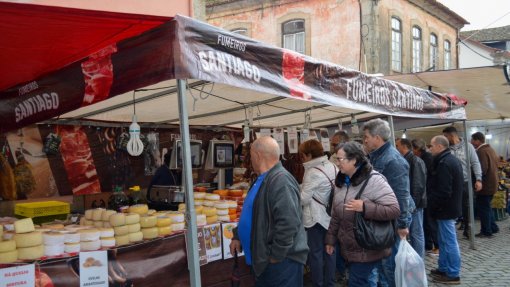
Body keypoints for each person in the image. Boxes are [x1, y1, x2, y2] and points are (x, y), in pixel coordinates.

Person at [230, 136, 308, 287]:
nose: (250, 159)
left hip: (281, 264)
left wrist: (275, 256)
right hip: (267, 262)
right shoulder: (262, 179)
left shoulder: (281, 181)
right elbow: (255, 213)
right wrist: (238, 235)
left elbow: (288, 223)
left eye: (251, 154)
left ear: (257, 155)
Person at [325, 141, 400, 287]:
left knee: (357, 282)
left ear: (354, 160)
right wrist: (330, 239)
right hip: (350, 247)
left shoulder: (374, 180)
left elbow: (394, 209)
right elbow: (336, 213)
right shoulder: (341, 182)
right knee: (361, 281)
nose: (337, 163)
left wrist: (365, 207)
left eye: (340, 159)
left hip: (368, 245)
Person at [363, 119, 413, 287]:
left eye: (366, 136)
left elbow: (402, 194)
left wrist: (402, 224)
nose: (365, 140)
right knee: (382, 264)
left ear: (377, 138)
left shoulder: (393, 160)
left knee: (389, 266)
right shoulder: (375, 156)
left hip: (392, 221)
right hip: (381, 217)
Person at [299, 139, 337, 287]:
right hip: (331, 216)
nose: (302, 158)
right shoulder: (333, 166)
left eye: (302, 155)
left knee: (315, 254)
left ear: (309, 155)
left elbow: (303, 199)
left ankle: (318, 284)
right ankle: (330, 283)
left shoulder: (312, 172)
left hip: (316, 219)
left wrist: (297, 190)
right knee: (330, 251)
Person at [428, 135, 463, 284]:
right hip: (448, 208)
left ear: (440, 147)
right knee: (443, 241)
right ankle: (443, 268)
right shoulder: (450, 159)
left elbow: (444, 191)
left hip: (446, 209)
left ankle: (453, 273)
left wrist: (433, 204)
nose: (430, 149)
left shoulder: (444, 162)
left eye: (432, 146)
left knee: (449, 241)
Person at [442, 126, 482, 239]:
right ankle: (452, 229)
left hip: (465, 181)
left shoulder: (468, 146)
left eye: (445, 136)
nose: (444, 138)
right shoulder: (446, 148)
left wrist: (479, 179)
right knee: (451, 206)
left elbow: (475, 163)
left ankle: (468, 228)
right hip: (450, 183)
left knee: (467, 206)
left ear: (452, 135)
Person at [396, 138, 427, 258]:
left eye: (397, 145)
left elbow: (418, 185)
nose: (396, 148)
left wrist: (412, 204)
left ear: (404, 146)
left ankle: (419, 259)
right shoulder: (406, 160)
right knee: (413, 233)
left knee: (416, 234)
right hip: (411, 204)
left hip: (415, 205)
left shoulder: (415, 161)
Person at [471, 132, 500, 237]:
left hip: (485, 185)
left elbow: (482, 169)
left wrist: (476, 179)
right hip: (492, 184)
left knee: (483, 208)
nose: (471, 142)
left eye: (472, 140)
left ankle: (486, 231)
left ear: (477, 140)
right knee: (487, 207)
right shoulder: (490, 149)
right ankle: (493, 227)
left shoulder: (481, 152)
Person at [412, 138, 438, 254]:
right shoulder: (423, 158)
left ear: (417, 149)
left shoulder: (424, 159)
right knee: (426, 223)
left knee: (429, 222)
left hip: (428, 194)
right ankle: (429, 245)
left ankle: (435, 245)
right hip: (427, 193)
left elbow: (423, 180)